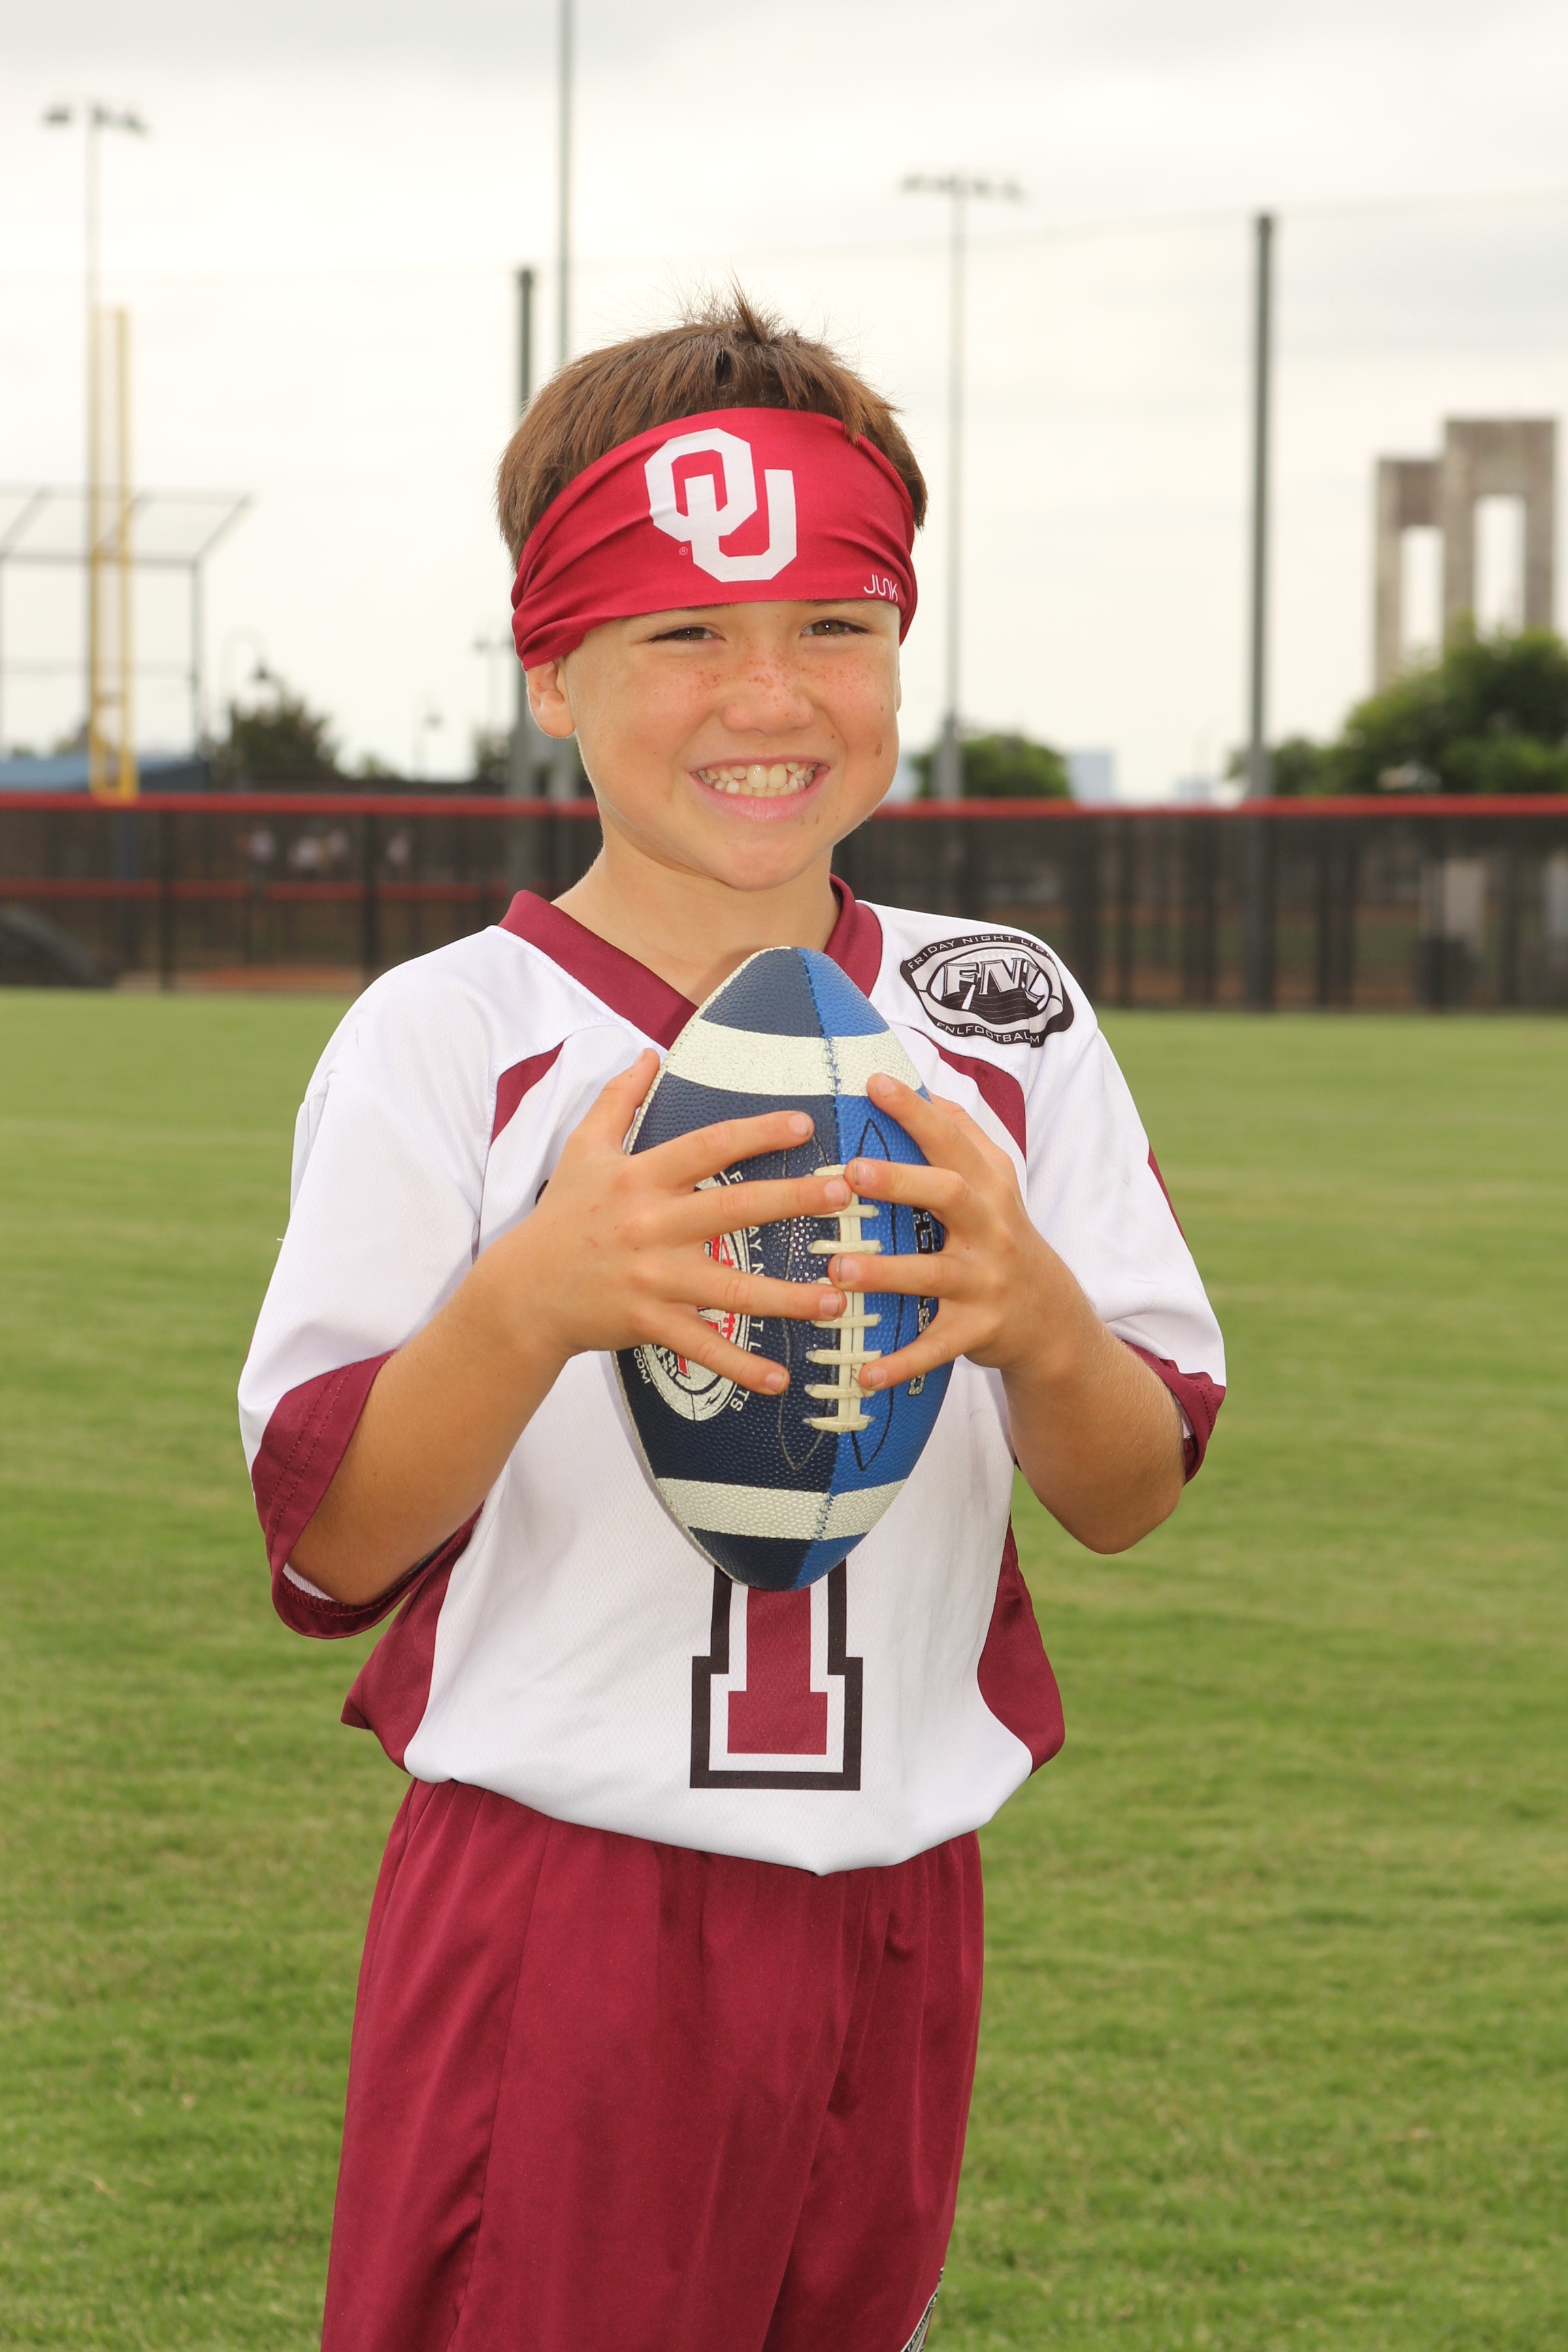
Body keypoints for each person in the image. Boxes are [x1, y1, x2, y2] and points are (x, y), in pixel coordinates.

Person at [239, 293, 1225, 2352]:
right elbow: (332, 1547)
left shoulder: (999, 1016)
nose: (767, 693)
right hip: (571, 1896)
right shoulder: (453, 1038)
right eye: (684, 629)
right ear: (551, 670)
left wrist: (1039, 1320)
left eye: (834, 625)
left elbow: (1130, 1491)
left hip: (900, 1900)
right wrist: (539, 1295)